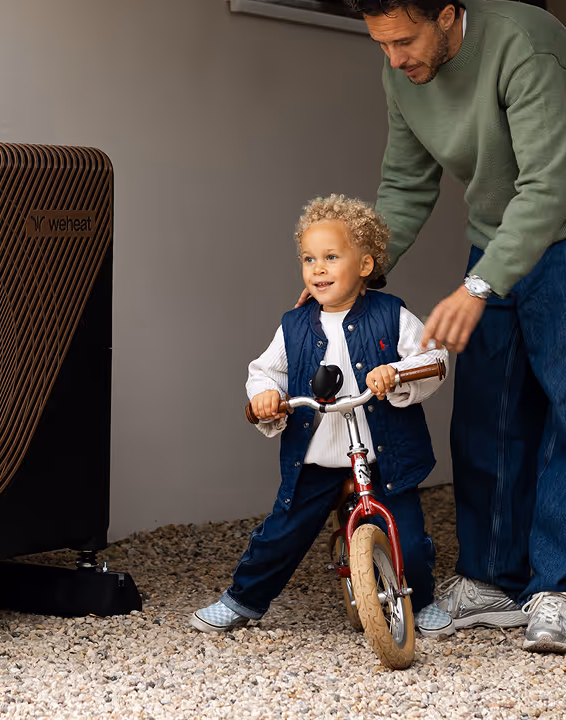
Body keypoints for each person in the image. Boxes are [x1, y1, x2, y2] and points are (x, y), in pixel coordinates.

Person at [344, 0, 566, 654]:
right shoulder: (402, 73)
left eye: (404, 40)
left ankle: (554, 588)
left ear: (447, 15)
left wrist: (479, 284)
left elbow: (547, 187)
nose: (395, 59)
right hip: (499, 229)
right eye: (381, 45)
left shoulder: (524, 48)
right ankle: (492, 579)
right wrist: (360, 270)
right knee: (485, 414)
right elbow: (406, 187)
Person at [191, 195, 454, 637]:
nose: (318, 269)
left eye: (332, 257)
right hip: (319, 455)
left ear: (365, 265)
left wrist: (397, 372)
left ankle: (421, 601)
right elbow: (265, 371)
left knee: (406, 534)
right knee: (284, 530)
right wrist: (265, 396)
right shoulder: (294, 324)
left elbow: (435, 358)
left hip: (382, 453)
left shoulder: (392, 315)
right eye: (309, 259)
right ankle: (243, 600)